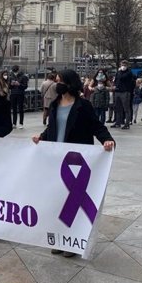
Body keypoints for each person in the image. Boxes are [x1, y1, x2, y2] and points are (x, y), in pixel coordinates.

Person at [32, 69, 115, 258]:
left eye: (60, 81)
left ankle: (71, 241)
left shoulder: (82, 105)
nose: (57, 84)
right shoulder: (55, 104)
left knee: (74, 201)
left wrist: (107, 140)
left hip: (76, 159)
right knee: (57, 200)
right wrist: (42, 137)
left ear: (70, 83)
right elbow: (53, 127)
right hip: (56, 158)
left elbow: (97, 126)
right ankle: (59, 238)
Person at [113, 60, 134, 129]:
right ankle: (118, 122)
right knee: (118, 108)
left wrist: (120, 72)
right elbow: (116, 80)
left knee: (126, 108)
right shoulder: (118, 72)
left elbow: (122, 77)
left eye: (124, 65)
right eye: (122, 64)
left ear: (127, 66)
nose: (123, 66)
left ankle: (127, 123)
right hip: (117, 91)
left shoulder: (129, 72)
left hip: (125, 92)